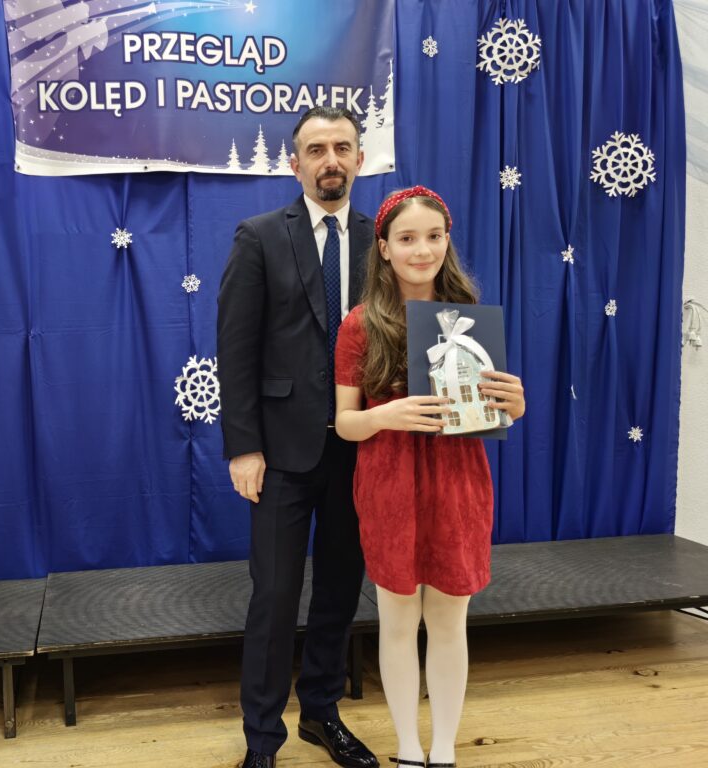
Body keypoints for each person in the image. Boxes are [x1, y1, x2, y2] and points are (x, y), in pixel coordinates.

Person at [334, 187, 526, 768]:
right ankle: (409, 748)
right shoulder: (360, 325)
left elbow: (491, 409)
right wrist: (384, 415)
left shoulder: (470, 317)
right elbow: (344, 423)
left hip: (457, 480)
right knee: (397, 620)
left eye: (434, 237)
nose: (422, 250)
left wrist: (514, 405)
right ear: (384, 248)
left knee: (448, 619)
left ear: (448, 241)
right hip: (389, 483)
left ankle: (443, 749)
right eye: (408, 238)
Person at [217, 106, 380, 768]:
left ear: (360, 158)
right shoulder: (258, 237)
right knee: (275, 598)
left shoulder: (384, 238)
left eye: (342, 147)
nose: (330, 159)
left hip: (362, 449)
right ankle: (262, 740)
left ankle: (321, 711)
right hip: (281, 452)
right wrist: (242, 446)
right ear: (295, 164)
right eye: (316, 149)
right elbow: (236, 349)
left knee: (340, 589)